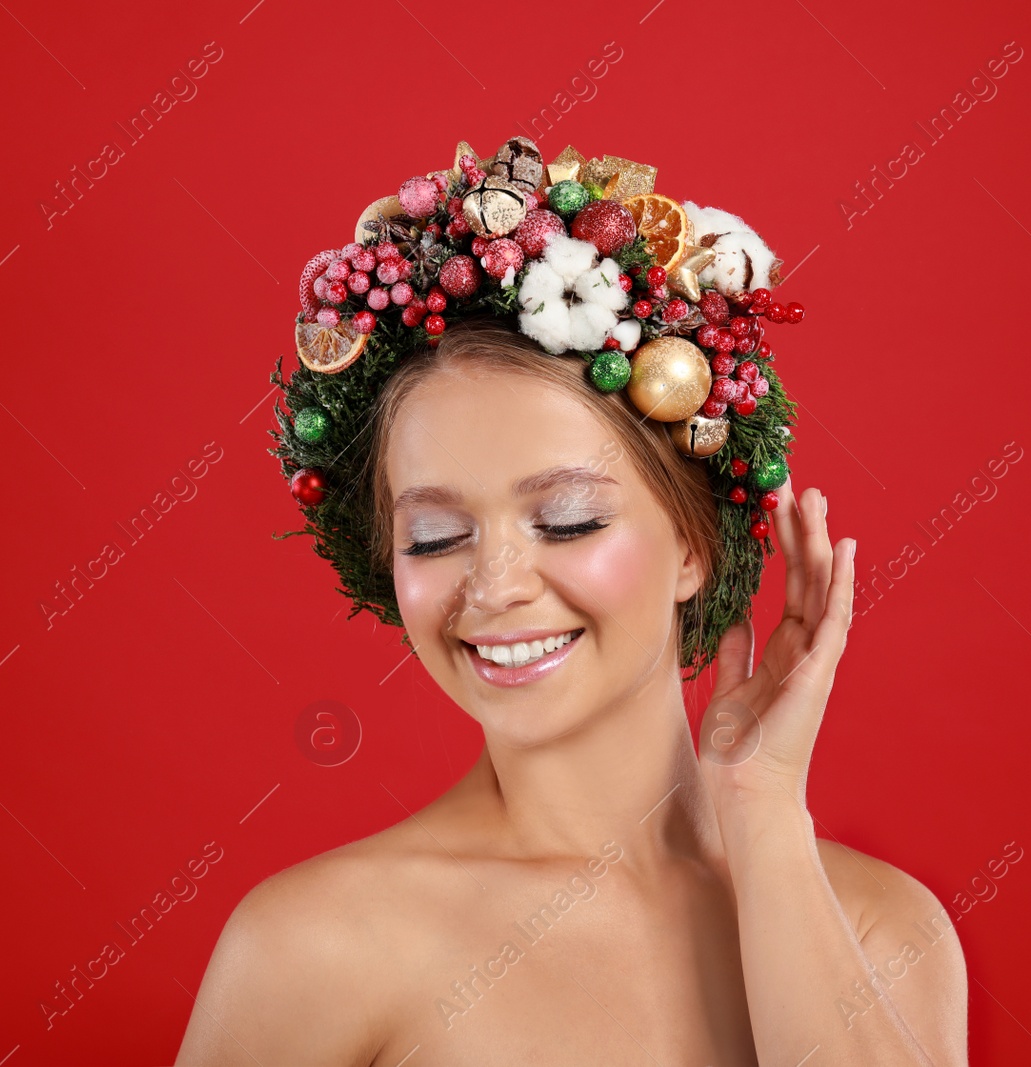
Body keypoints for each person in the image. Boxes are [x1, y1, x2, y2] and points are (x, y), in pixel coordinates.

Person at [175, 139, 968, 1065]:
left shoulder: (881, 930)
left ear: (691, 543)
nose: (496, 585)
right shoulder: (314, 948)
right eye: (435, 536)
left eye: (567, 519)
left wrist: (763, 813)